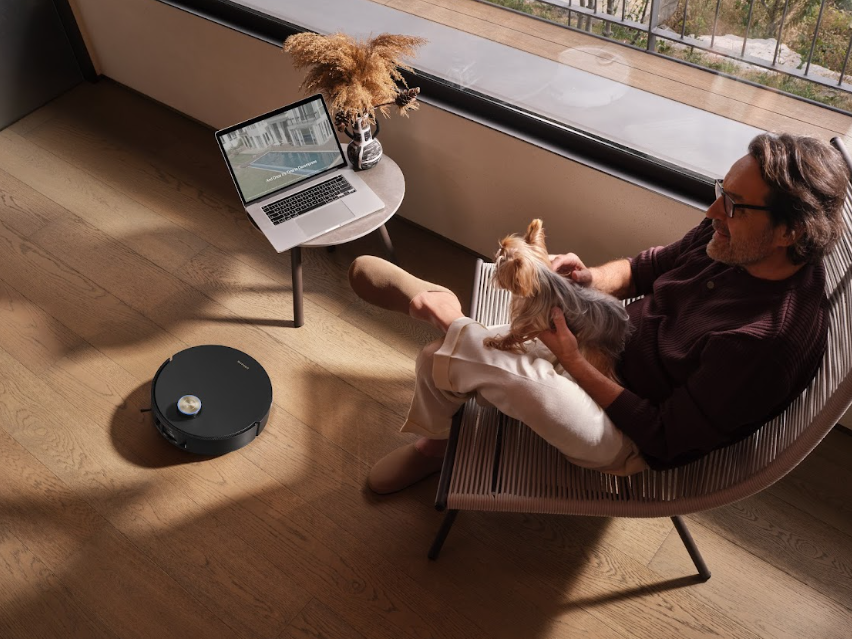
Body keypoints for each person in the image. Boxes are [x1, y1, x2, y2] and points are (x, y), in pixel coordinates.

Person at [349, 133, 849, 494]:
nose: (714, 212)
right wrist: (590, 279)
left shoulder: (765, 342)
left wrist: (573, 362)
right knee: (438, 357)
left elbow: (663, 436)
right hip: (608, 344)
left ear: (790, 232)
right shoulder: (730, 237)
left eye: (734, 204)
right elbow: (648, 267)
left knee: (475, 356)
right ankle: (436, 446)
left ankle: (444, 312)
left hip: (626, 433)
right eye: (721, 191)